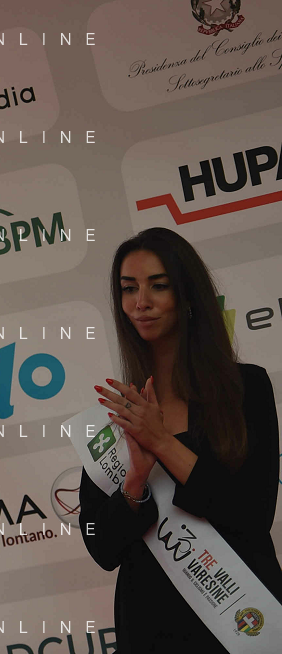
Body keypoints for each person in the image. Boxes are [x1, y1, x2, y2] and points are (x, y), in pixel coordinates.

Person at [82, 227, 282, 652]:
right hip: (149, 626)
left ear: (188, 293)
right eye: (129, 288)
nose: (141, 302)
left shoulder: (246, 388)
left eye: (158, 285)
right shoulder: (115, 415)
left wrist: (163, 443)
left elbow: (252, 515)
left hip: (240, 626)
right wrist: (135, 482)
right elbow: (101, 546)